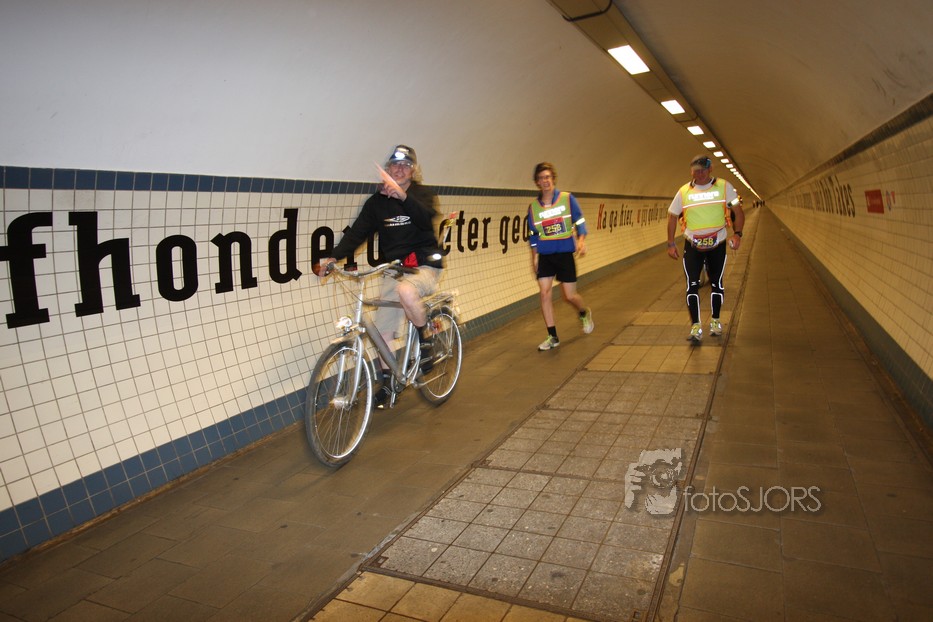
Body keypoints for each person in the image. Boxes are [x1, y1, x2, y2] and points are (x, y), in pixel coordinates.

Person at [320, 144, 442, 405]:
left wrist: (403, 197)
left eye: (405, 165)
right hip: (394, 269)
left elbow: (426, 220)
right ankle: (388, 381)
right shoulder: (376, 203)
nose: (399, 169)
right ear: (387, 169)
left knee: (406, 291)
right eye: (395, 165)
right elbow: (357, 233)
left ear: (413, 170)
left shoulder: (422, 195)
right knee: (383, 329)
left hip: (424, 265)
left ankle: (425, 340)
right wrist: (333, 257)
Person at [666, 154, 745, 342]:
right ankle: (695, 326)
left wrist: (737, 234)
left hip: (717, 244)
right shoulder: (684, 191)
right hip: (693, 245)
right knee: (691, 285)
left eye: (702, 170)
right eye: (695, 171)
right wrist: (670, 243)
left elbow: (737, 211)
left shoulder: (724, 187)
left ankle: (715, 320)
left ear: (710, 169)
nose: (699, 174)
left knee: (716, 283)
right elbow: (672, 216)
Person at [527, 162, 594, 351]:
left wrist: (581, 239)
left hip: (564, 252)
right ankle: (552, 336)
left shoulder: (567, 199)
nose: (545, 181)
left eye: (548, 177)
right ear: (537, 182)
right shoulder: (533, 207)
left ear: (553, 179)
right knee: (544, 293)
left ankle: (583, 312)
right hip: (545, 255)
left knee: (569, 296)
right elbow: (533, 234)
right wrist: (534, 257)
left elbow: (579, 220)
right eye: (541, 178)